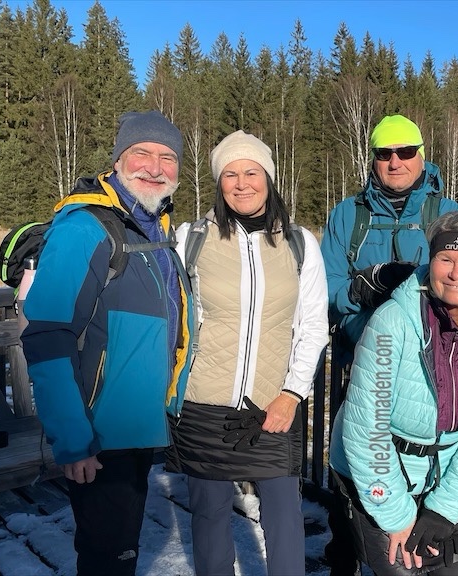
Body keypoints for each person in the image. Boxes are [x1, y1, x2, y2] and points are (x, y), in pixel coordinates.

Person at [20, 110, 194, 576]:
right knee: (108, 558)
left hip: (135, 424)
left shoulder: (154, 226)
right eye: (141, 153)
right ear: (117, 160)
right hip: (100, 432)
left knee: (120, 549)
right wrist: (73, 438)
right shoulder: (86, 228)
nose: (154, 167)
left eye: (167, 157)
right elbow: (48, 335)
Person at [328, 211, 458, 576]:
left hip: (446, 477)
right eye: (445, 259)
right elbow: (368, 428)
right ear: (431, 261)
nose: (456, 273)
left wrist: (444, 510)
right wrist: (396, 515)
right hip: (379, 470)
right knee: (399, 566)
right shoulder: (392, 322)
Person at [168, 130, 329, 576]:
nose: (242, 184)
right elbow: (172, 315)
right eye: (230, 174)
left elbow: (313, 326)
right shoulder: (190, 238)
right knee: (209, 515)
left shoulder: (299, 242)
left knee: (284, 515)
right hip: (202, 400)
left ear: (268, 178)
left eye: (252, 172)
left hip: (273, 403)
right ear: (218, 182)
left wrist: (291, 394)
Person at [321, 114, 458, 575]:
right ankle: (351, 556)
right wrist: (361, 289)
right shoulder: (348, 215)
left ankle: (422, 554)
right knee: (355, 474)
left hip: (432, 379)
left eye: (405, 152)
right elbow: (326, 291)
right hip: (362, 369)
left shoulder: (447, 213)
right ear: (373, 160)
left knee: (426, 476)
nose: (395, 161)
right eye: (385, 153)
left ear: (422, 155)